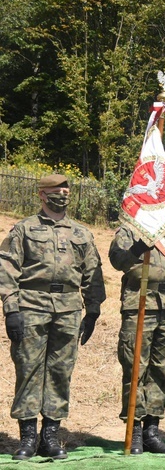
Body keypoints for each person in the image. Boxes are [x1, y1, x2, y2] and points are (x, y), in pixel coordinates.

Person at [0, 174, 106, 460]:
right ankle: (27, 437)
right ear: (42, 195)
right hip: (31, 306)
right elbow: (7, 269)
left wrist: (93, 309)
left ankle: (50, 436)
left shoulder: (81, 233)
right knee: (28, 370)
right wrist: (11, 310)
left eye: (65, 190)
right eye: (56, 190)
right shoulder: (24, 229)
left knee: (60, 373)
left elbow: (92, 272)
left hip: (69, 310)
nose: (63, 194)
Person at [109, 222, 165, 455]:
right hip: (140, 305)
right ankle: (134, 431)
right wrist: (138, 247)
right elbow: (118, 261)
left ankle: (151, 432)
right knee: (136, 368)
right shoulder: (128, 232)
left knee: (161, 371)